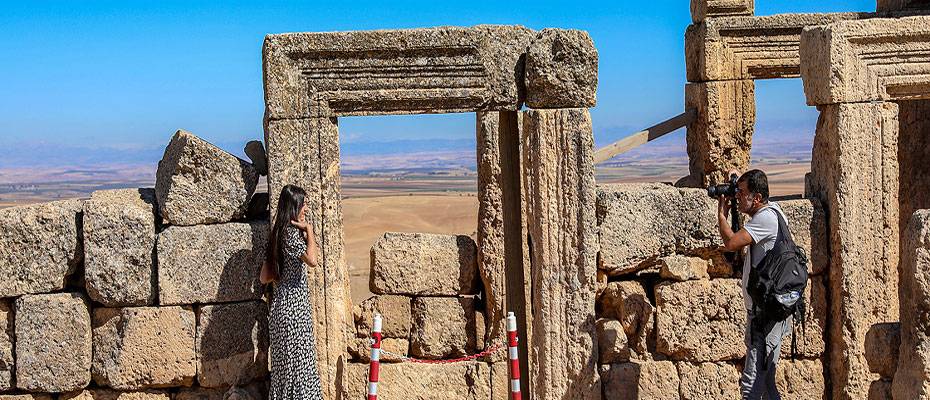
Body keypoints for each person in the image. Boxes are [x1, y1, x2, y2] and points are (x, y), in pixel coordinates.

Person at [716, 169, 792, 400]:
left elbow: (731, 242)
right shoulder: (775, 211)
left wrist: (722, 215)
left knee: (751, 385)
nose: (737, 197)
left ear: (757, 198)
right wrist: (737, 181)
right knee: (767, 382)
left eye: (741, 193)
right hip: (771, 311)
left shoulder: (765, 219)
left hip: (765, 317)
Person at [260, 184, 324, 400]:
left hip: (280, 309)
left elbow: (263, 277)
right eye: (303, 204)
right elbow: (313, 261)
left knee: (285, 372)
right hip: (295, 311)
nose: (306, 208)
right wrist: (310, 232)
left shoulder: (277, 234)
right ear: (294, 206)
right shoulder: (291, 235)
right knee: (300, 371)